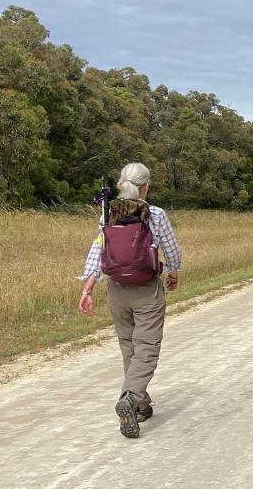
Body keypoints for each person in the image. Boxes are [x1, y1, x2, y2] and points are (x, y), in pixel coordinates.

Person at [77, 162, 182, 438]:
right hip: (146, 288)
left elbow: (98, 250)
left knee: (129, 348)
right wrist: (173, 272)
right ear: (146, 187)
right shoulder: (155, 214)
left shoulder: (108, 213)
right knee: (146, 349)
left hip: (117, 290)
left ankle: (140, 404)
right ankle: (131, 398)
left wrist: (88, 288)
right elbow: (171, 249)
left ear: (121, 184)